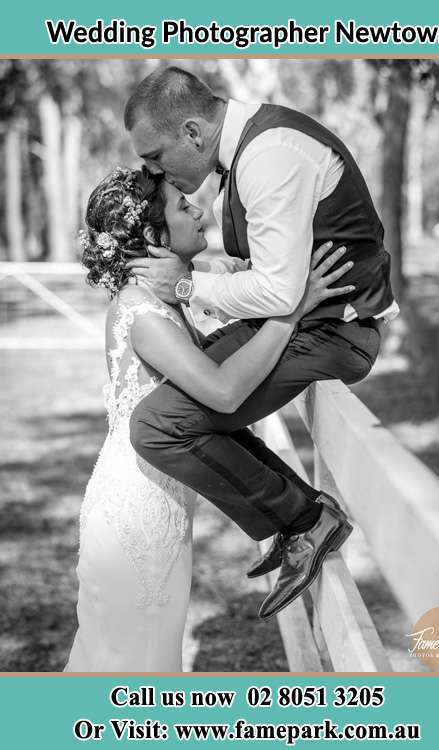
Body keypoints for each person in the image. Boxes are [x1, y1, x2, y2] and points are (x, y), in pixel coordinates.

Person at [123, 66, 400, 620]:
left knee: (159, 426)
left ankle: (305, 519)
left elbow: (278, 290)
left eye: (155, 155)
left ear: (194, 133)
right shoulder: (245, 151)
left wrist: (184, 283)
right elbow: (272, 273)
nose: (152, 170)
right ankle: (298, 515)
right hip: (302, 322)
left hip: (331, 330)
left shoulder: (270, 154)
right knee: (186, 398)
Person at [64, 166, 353, 671]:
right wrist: (291, 312)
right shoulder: (141, 311)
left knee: (144, 657)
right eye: (182, 205)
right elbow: (222, 392)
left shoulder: (158, 301)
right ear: (155, 237)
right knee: (130, 662)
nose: (198, 209)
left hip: (160, 497)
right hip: (136, 512)